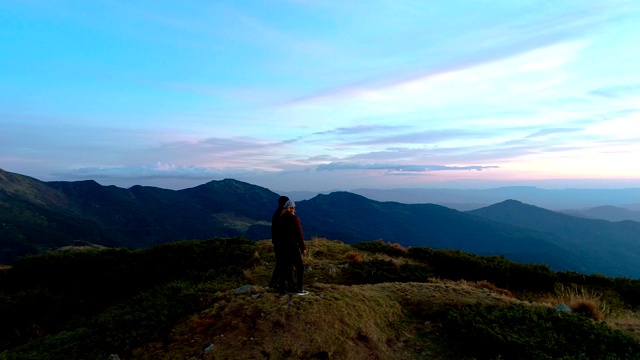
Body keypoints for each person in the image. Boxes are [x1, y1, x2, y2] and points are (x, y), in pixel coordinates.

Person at [278, 200, 308, 295]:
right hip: (292, 247)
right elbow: (299, 234)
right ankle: (299, 288)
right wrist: (303, 248)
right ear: (291, 208)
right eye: (293, 207)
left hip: (283, 247)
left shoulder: (281, 218)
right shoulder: (294, 219)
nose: (294, 209)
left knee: (286, 267)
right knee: (300, 267)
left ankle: (285, 288)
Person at [268, 195, 290, 289]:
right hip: (282, 242)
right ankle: (278, 283)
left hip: (277, 242)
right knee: (283, 263)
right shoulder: (282, 214)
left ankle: (276, 282)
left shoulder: (277, 213)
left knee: (280, 263)